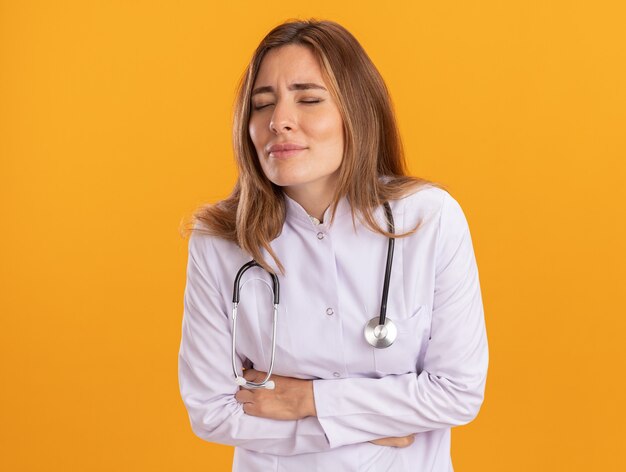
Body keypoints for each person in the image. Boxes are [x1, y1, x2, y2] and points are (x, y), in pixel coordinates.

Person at [178, 19, 488, 471]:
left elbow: (457, 394)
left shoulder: (429, 220)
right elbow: (212, 411)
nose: (279, 121)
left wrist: (307, 399)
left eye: (309, 99)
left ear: (357, 112)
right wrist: (366, 421)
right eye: (262, 104)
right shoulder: (219, 242)